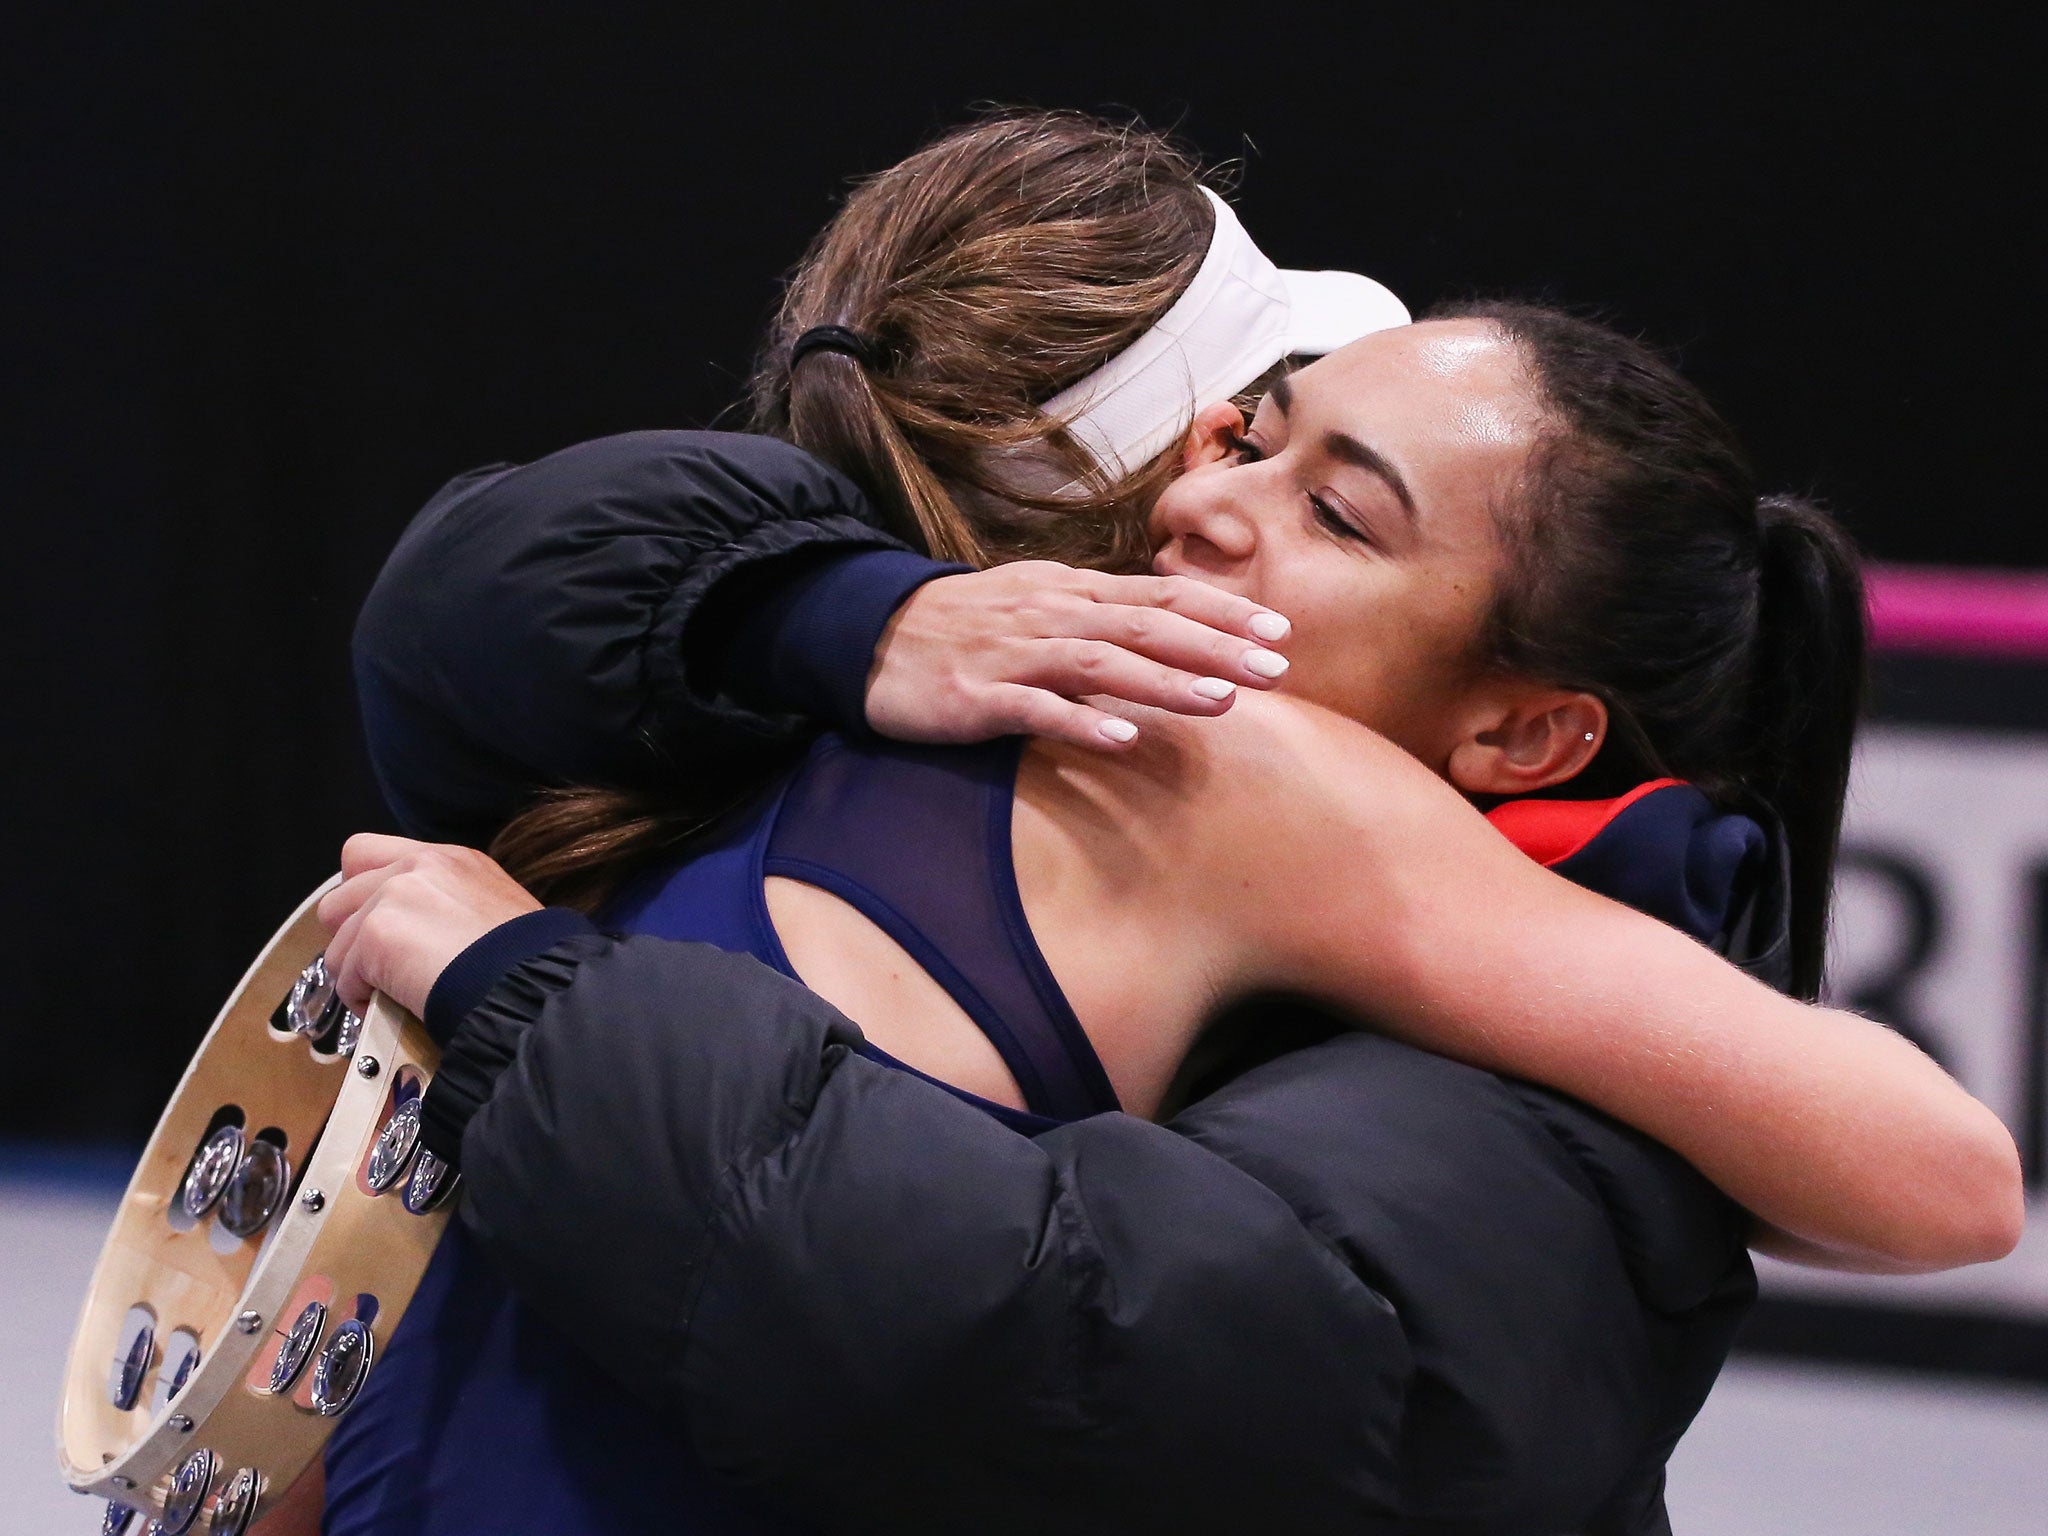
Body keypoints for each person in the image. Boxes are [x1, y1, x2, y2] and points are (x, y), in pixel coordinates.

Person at [324, 116, 2019, 1535]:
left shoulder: (1237, 763)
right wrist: (851, 624)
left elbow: (1937, 1175)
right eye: (1248, 432)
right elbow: (473, 594)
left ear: (1524, 728)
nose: (1210, 503)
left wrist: (533, 994)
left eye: (1334, 513)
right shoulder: (887, 671)